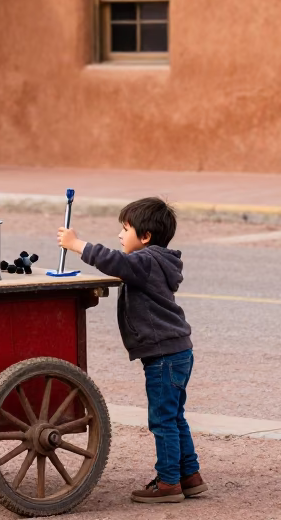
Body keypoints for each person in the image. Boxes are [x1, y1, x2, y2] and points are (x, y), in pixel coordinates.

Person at [58, 196, 207, 504]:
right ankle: (190, 476)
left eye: (125, 229)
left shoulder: (146, 261)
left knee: (163, 419)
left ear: (146, 236)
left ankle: (168, 483)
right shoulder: (156, 262)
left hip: (165, 356)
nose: (120, 236)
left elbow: (116, 261)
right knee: (174, 416)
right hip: (176, 351)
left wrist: (76, 244)